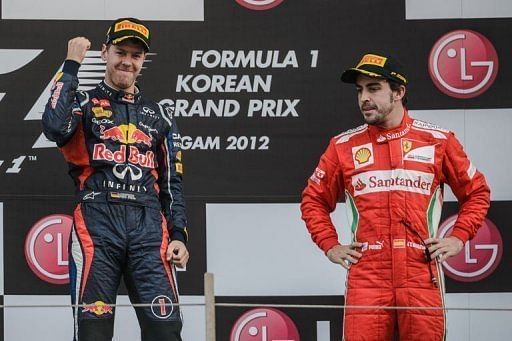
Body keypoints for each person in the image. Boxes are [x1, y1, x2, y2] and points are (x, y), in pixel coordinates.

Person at [300, 52, 490, 340]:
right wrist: (330, 244)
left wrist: (458, 236)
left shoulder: (438, 141)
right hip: (368, 276)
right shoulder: (342, 146)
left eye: (374, 88)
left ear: (399, 92)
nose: (364, 97)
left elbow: (477, 192)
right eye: (360, 90)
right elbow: (313, 200)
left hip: (420, 272)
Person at [42, 18, 188, 341]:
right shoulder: (83, 103)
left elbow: (172, 183)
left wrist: (178, 234)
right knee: (93, 332)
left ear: (143, 62)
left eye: (136, 56)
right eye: (121, 52)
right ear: (105, 53)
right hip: (96, 225)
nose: (127, 61)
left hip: (150, 230)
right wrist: (71, 64)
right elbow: (53, 126)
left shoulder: (160, 115)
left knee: (165, 331)